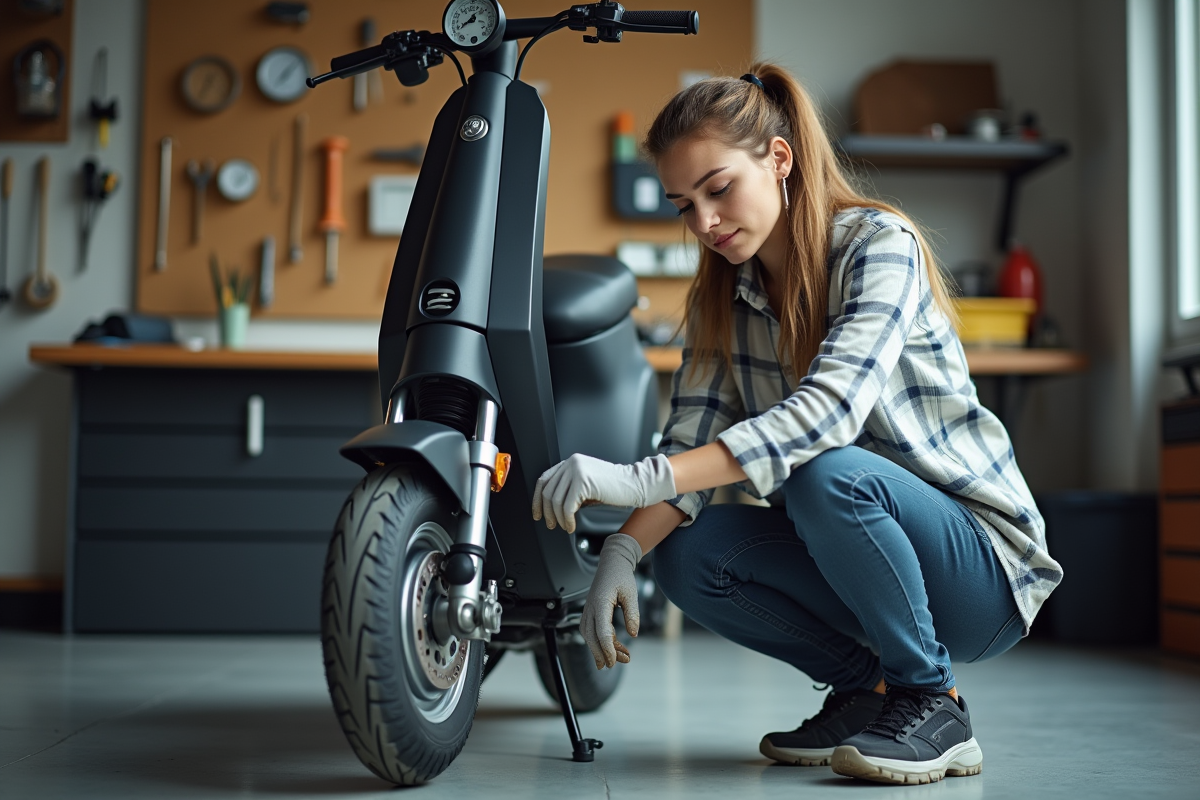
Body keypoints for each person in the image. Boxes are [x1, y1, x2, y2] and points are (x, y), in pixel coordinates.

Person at [531, 63, 1062, 786]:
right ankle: (865, 694)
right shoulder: (720, 298)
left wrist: (632, 480)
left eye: (719, 189)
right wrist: (623, 551)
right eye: (685, 205)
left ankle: (930, 702)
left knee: (826, 470)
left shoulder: (879, 246)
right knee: (687, 555)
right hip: (853, 540)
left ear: (778, 160)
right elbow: (687, 445)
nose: (705, 223)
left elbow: (828, 415)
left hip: (979, 571)